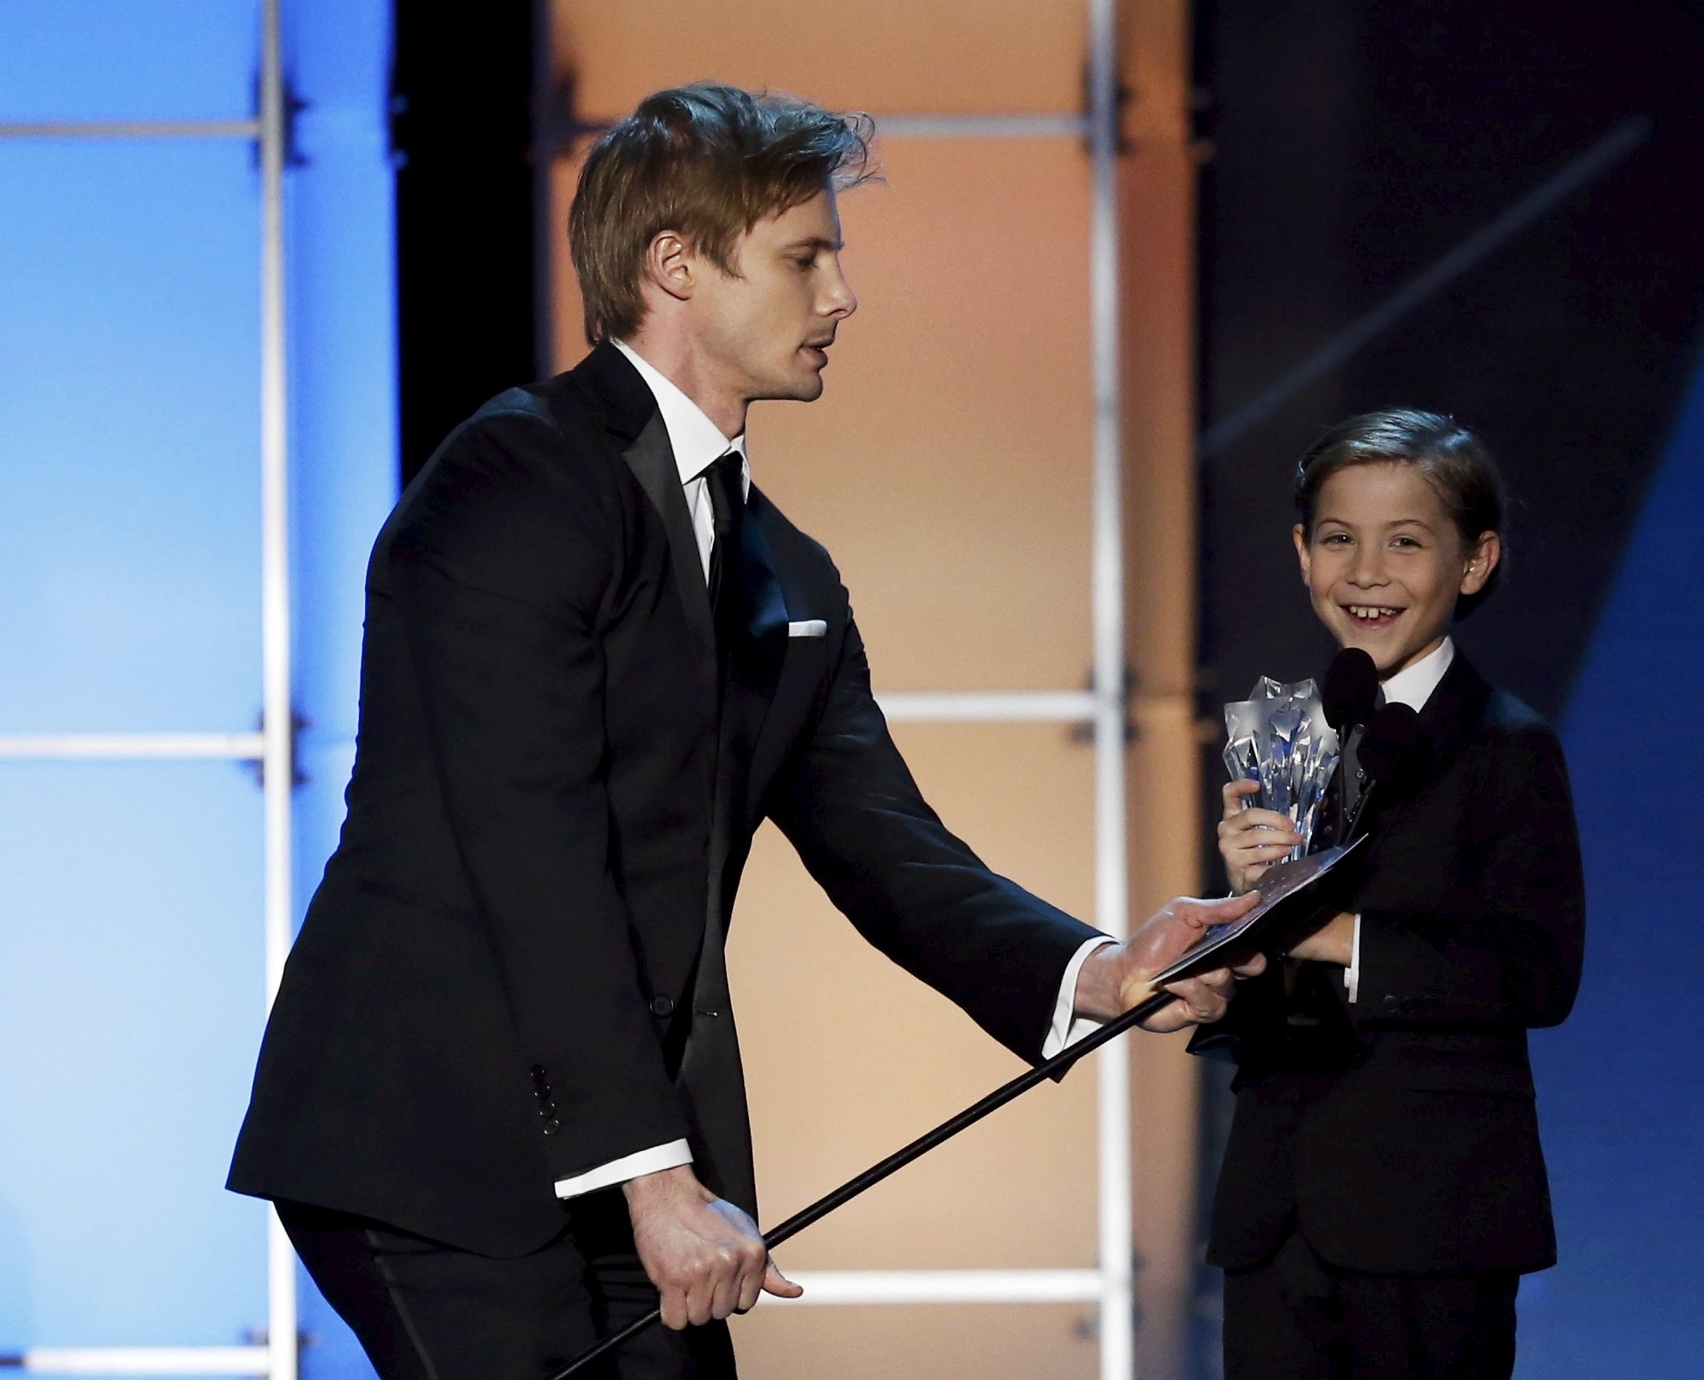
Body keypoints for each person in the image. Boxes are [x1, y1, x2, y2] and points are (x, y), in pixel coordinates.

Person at [227, 84, 1261, 1380]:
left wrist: (1101, 969)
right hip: (430, 1140)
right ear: (676, 266)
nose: (842, 296)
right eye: (804, 256)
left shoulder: (790, 574)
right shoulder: (519, 480)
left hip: (625, 1150)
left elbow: (889, 846)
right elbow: (531, 847)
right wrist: (657, 1177)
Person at [1209, 410, 1584, 1379]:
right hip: (1277, 1211)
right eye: (1338, 539)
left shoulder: (1508, 746)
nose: (1366, 571)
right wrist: (1233, 948)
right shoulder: (1287, 733)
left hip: (1435, 1215)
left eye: (1406, 542)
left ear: (1475, 561)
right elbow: (1271, 983)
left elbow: (1537, 973)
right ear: (1302, 554)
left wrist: (1329, 932)